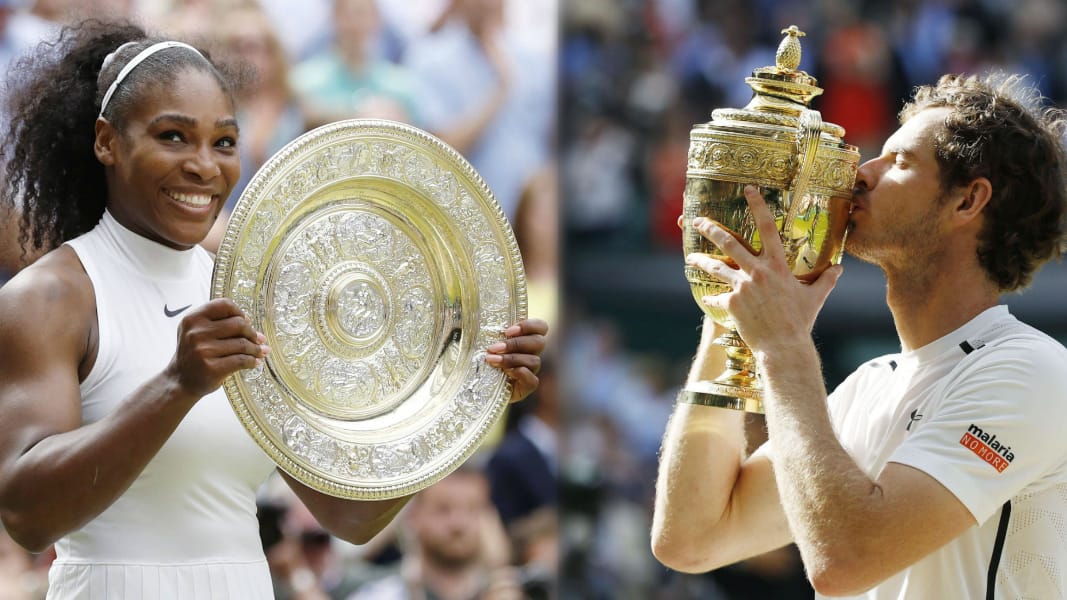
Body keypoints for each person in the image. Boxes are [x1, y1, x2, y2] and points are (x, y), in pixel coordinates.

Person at [0, 20, 547, 599]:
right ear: (107, 141)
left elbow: (349, 519)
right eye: (173, 137)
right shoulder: (48, 297)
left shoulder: (251, 295)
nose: (205, 166)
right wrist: (177, 386)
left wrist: (465, 395)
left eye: (225, 142)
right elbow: (28, 516)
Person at [651, 73, 1067, 598]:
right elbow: (691, 538)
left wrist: (782, 346)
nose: (861, 175)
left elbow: (845, 559)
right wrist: (728, 307)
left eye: (899, 162)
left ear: (968, 202)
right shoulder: (870, 386)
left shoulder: (1031, 371)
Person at [347, 467, 522, 600]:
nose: (458, 524)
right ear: (413, 516)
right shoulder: (380, 593)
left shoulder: (517, 590)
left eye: (472, 509)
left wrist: (499, 568)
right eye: (443, 510)